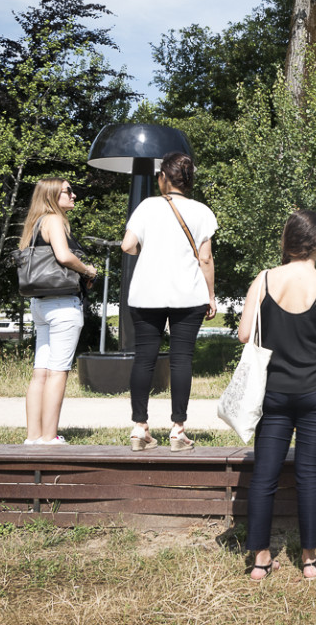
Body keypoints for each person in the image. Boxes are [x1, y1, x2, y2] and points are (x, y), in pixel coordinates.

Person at [238, 209, 316, 581]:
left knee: (264, 475)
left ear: (288, 240)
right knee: (309, 473)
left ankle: (261, 560)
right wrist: (313, 356)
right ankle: (310, 560)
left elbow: (242, 334)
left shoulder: (264, 279)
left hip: (273, 391)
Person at [122, 152, 217, 452]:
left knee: (144, 358)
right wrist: (211, 296)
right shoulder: (202, 211)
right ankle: (178, 430)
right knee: (181, 360)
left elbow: (128, 245)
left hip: (146, 294)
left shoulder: (147, 206)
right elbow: (205, 258)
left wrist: (151, 254)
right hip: (188, 295)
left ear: (163, 177)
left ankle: (139, 428)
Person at [21, 178, 97, 445]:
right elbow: (64, 257)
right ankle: (49, 436)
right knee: (58, 371)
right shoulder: (54, 220)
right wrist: (87, 270)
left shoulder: (35, 222)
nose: (74, 195)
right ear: (54, 196)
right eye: (68, 191)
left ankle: (33, 436)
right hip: (62, 306)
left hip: (40, 304)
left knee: (40, 371)